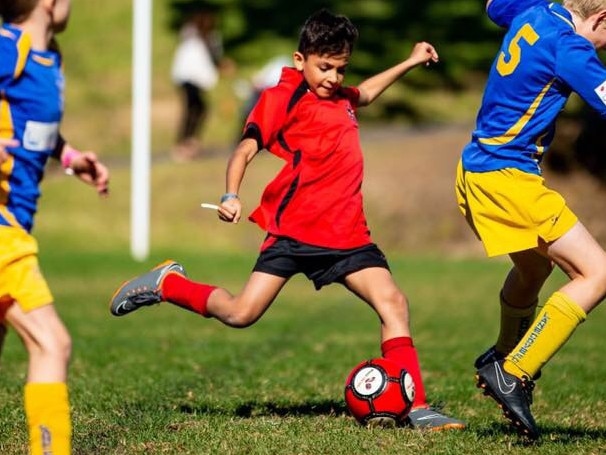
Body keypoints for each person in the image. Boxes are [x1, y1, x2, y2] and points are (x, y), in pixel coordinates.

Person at [110, 9, 465, 431]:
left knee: (394, 303)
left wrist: (408, 61)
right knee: (241, 313)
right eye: (325, 67)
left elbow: (365, 93)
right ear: (301, 61)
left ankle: (417, 407)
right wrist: (230, 194)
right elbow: (245, 149)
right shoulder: (283, 98)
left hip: (348, 235)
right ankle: (169, 283)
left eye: (341, 68)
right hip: (293, 233)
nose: (333, 78)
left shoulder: (342, 99)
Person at [456, 0, 606, 440]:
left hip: (473, 171)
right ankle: (514, 372)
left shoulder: (537, 10)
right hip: (507, 179)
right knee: (597, 273)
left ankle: (502, 356)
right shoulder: (570, 47)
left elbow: (492, 6)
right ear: (601, 19)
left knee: (534, 267)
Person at [0, 1, 110, 453]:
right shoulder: (9, 46)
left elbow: (34, 126)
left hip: (18, 222)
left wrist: (68, 157)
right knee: (52, 344)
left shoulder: (50, 56)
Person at [170, 8, 222, 162]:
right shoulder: (192, 36)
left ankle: (189, 141)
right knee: (193, 108)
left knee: (198, 108)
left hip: (192, 78)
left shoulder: (207, 38)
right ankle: (184, 142)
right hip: (187, 77)